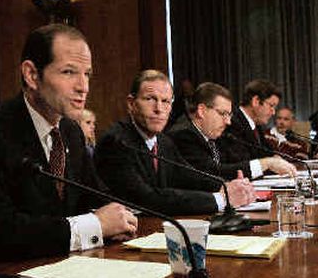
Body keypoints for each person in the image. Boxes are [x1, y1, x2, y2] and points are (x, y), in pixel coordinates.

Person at [0, 24, 137, 268]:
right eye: (69, 72)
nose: (83, 87)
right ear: (32, 75)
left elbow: (93, 195)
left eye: (87, 74)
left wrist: (119, 218)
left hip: (66, 266)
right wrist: (94, 225)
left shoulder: (70, 131)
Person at [95, 70, 255, 216]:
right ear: (131, 104)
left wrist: (228, 186)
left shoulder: (164, 141)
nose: (159, 108)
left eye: (165, 101)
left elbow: (189, 176)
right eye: (150, 99)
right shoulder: (116, 142)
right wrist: (221, 199)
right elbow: (147, 199)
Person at [169, 83, 297, 180]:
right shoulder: (184, 135)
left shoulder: (210, 135)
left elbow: (227, 166)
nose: (228, 122)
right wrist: (265, 163)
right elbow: (211, 173)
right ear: (202, 111)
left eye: (229, 115)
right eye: (223, 114)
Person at [218, 79, 296, 178]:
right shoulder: (232, 123)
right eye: (271, 106)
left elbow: (267, 154)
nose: (273, 112)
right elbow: (241, 164)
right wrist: (270, 163)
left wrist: (276, 159)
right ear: (256, 101)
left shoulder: (256, 125)